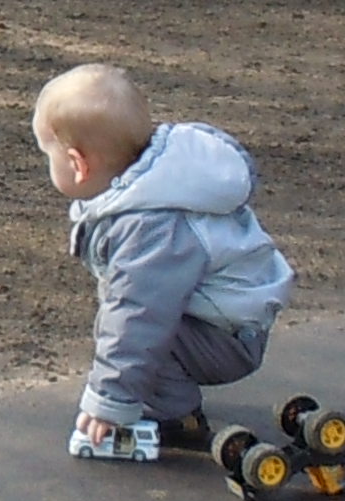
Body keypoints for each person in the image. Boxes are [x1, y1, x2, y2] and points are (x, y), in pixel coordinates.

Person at [33, 62, 293, 463]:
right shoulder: (154, 180)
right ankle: (162, 394)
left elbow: (139, 314)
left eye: (46, 155)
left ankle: (176, 417)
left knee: (136, 334)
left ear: (78, 164)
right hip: (229, 321)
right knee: (127, 325)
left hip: (228, 338)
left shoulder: (150, 227)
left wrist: (108, 402)